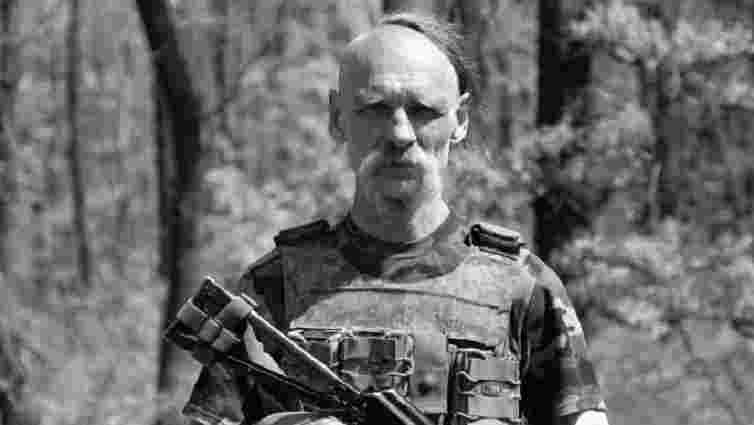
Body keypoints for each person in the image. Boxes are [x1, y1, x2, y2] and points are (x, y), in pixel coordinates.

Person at [182, 12, 610, 425]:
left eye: (423, 110)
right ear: (337, 118)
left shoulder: (524, 289)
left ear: (460, 121)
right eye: (375, 108)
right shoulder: (274, 287)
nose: (400, 134)